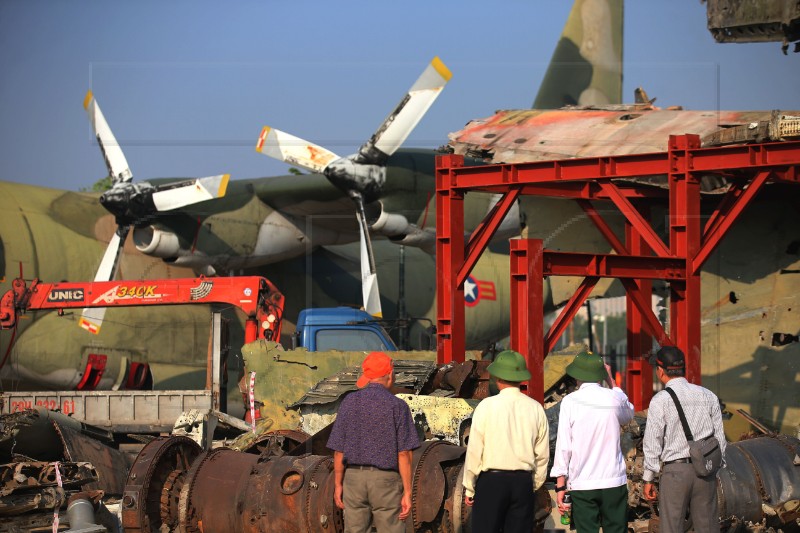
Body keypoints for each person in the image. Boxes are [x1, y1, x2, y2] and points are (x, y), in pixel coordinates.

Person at [327, 351, 420, 533]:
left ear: (367, 376)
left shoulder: (349, 402)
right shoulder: (398, 406)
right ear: (390, 375)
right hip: (385, 482)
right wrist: (407, 493)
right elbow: (404, 454)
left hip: (353, 480)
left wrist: (338, 485)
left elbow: (339, 451)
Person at [462, 350, 550, 533]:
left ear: (497, 378)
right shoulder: (536, 409)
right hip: (522, 482)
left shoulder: (486, 407)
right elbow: (542, 456)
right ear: (521, 377)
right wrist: (532, 485)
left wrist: (469, 487)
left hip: (491, 482)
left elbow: (474, 451)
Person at [642, 346, 727, 533]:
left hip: (675, 472)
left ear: (660, 371)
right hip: (705, 470)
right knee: (708, 527)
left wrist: (649, 477)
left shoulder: (660, 400)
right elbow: (719, 438)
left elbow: (652, 442)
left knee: (671, 527)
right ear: (683, 369)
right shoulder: (708, 395)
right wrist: (716, 469)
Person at [550, 350, 635, 533]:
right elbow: (629, 414)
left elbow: (564, 446)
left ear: (576, 375)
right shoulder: (613, 397)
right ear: (600, 374)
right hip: (613, 482)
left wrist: (560, 486)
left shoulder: (570, 402)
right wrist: (612, 381)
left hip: (583, 484)